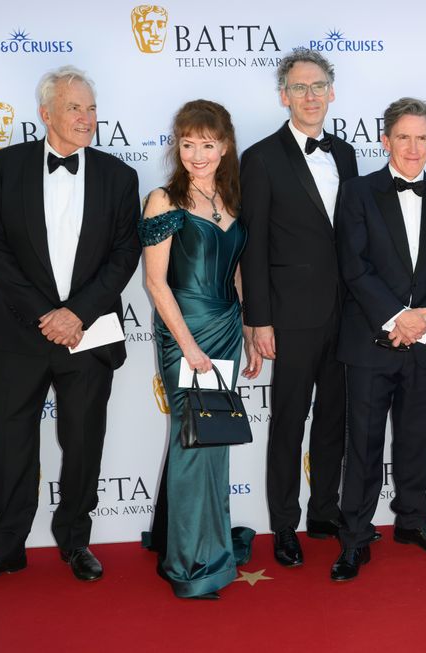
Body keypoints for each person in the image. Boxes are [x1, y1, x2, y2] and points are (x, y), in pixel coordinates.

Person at [0, 66, 141, 592]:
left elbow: (125, 255)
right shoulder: (5, 166)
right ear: (46, 114)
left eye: (91, 109)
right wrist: (47, 314)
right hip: (21, 332)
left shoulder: (118, 176)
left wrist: (76, 313)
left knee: (83, 441)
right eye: (75, 109)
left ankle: (75, 541)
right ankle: (6, 549)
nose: (86, 119)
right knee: (12, 441)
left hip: (90, 332)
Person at [331, 97, 426, 582]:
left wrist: (423, 317)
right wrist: (396, 318)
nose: (413, 147)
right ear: (385, 140)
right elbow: (354, 266)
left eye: (422, 137)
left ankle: (412, 522)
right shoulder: (356, 192)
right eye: (403, 137)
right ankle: (355, 536)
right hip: (371, 339)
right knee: (363, 444)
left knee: (417, 439)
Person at [240, 49, 358, 568]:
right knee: (289, 422)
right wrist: (257, 319)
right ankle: (284, 523)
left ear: (332, 92)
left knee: (335, 418)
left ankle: (324, 512)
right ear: (283, 95)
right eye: (299, 88)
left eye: (318, 87)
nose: (310, 96)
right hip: (289, 316)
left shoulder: (348, 153)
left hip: (347, 314)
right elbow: (254, 245)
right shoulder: (261, 158)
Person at [139, 100, 260, 599]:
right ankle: (191, 562)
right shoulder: (163, 200)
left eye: (206, 144)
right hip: (183, 334)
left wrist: (250, 331)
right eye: (187, 144)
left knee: (212, 439)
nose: (196, 154)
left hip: (227, 329)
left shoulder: (234, 198)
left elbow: (235, 272)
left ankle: (197, 537)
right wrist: (188, 347)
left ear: (225, 145)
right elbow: (155, 282)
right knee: (193, 443)